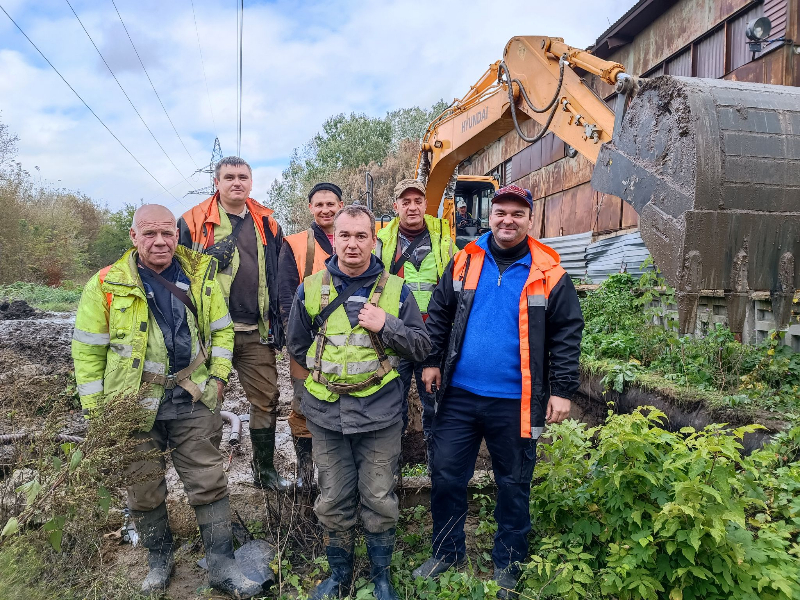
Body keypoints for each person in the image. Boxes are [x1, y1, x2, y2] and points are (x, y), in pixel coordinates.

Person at [72, 204, 262, 598]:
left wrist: (218, 380)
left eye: (167, 234)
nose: (160, 241)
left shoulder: (200, 273)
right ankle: (159, 563)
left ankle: (223, 567)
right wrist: (99, 414)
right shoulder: (106, 285)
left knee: (209, 482)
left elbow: (222, 332)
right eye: (150, 234)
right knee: (143, 489)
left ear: (177, 235)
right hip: (131, 404)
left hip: (192, 398)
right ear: (133, 236)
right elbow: (88, 354)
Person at [413, 185, 583, 599]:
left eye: (516, 214)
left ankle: (509, 562)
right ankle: (447, 552)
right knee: (447, 475)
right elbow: (438, 313)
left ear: (530, 219)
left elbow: (566, 334)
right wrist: (432, 360)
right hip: (459, 396)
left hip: (517, 401)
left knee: (513, 482)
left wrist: (561, 390)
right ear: (490, 216)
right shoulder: (465, 260)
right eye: (500, 212)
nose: (507, 220)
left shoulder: (550, 273)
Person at [287, 205, 430, 600]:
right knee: (332, 498)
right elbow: (297, 347)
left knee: (379, 498)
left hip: (380, 415)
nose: (352, 243)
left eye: (360, 236)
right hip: (326, 417)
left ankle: (381, 579)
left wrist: (386, 325)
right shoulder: (310, 289)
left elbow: (421, 345)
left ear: (373, 240)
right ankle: (339, 577)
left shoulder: (398, 290)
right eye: (344, 236)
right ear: (334, 239)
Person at [178, 156, 290, 491]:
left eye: (243, 177)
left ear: (251, 183)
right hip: (210, 333)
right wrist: (206, 261)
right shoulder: (194, 221)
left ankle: (264, 470)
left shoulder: (267, 222)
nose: (236, 182)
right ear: (217, 182)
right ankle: (207, 478)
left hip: (257, 329)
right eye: (229, 177)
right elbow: (176, 272)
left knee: (267, 398)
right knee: (208, 398)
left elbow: (277, 273)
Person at [375, 178, 453, 444]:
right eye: (405, 202)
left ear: (425, 205)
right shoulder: (382, 242)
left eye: (417, 201)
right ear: (396, 206)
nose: (412, 207)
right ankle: (389, 475)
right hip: (397, 335)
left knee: (435, 408)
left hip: (434, 336)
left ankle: (437, 473)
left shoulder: (443, 239)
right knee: (392, 410)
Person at [278, 182, 344, 488]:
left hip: (350, 345)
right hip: (308, 344)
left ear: (341, 205)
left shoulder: (358, 239)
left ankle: (339, 473)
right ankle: (305, 474)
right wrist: (299, 345)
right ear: (310, 208)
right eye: (319, 205)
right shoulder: (294, 244)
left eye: (330, 204)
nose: (325, 209)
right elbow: (286, 298)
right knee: (303, 407)